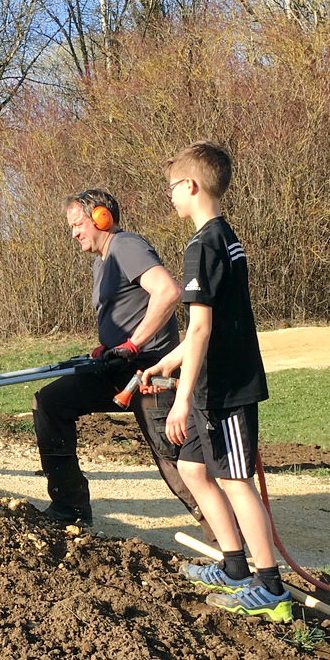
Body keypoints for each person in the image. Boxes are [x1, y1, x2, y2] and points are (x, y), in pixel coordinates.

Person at [140, 141, 290, 622]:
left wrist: (181, 399)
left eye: (171, 188)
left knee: (237, 482)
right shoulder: (224, 237)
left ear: (190, 185)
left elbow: (202, 327)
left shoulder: (203, 245)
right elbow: (209, 325)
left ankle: (270, 586)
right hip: (208, 382)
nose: (169, 197)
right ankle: (233, 566)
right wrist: (169, 361)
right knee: (193, 470)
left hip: (224, 389)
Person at [32, 190, 209, 534]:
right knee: (50, 402)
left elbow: (168, 292)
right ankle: (70, 507)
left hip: (152, 368)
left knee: (170, 455)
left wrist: (133, 343)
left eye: (78, 224)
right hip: (119, 366)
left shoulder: (126, 246)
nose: (74, 233)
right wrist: (108, 347)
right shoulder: (103, 261)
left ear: (101, 218)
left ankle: (226, 542)